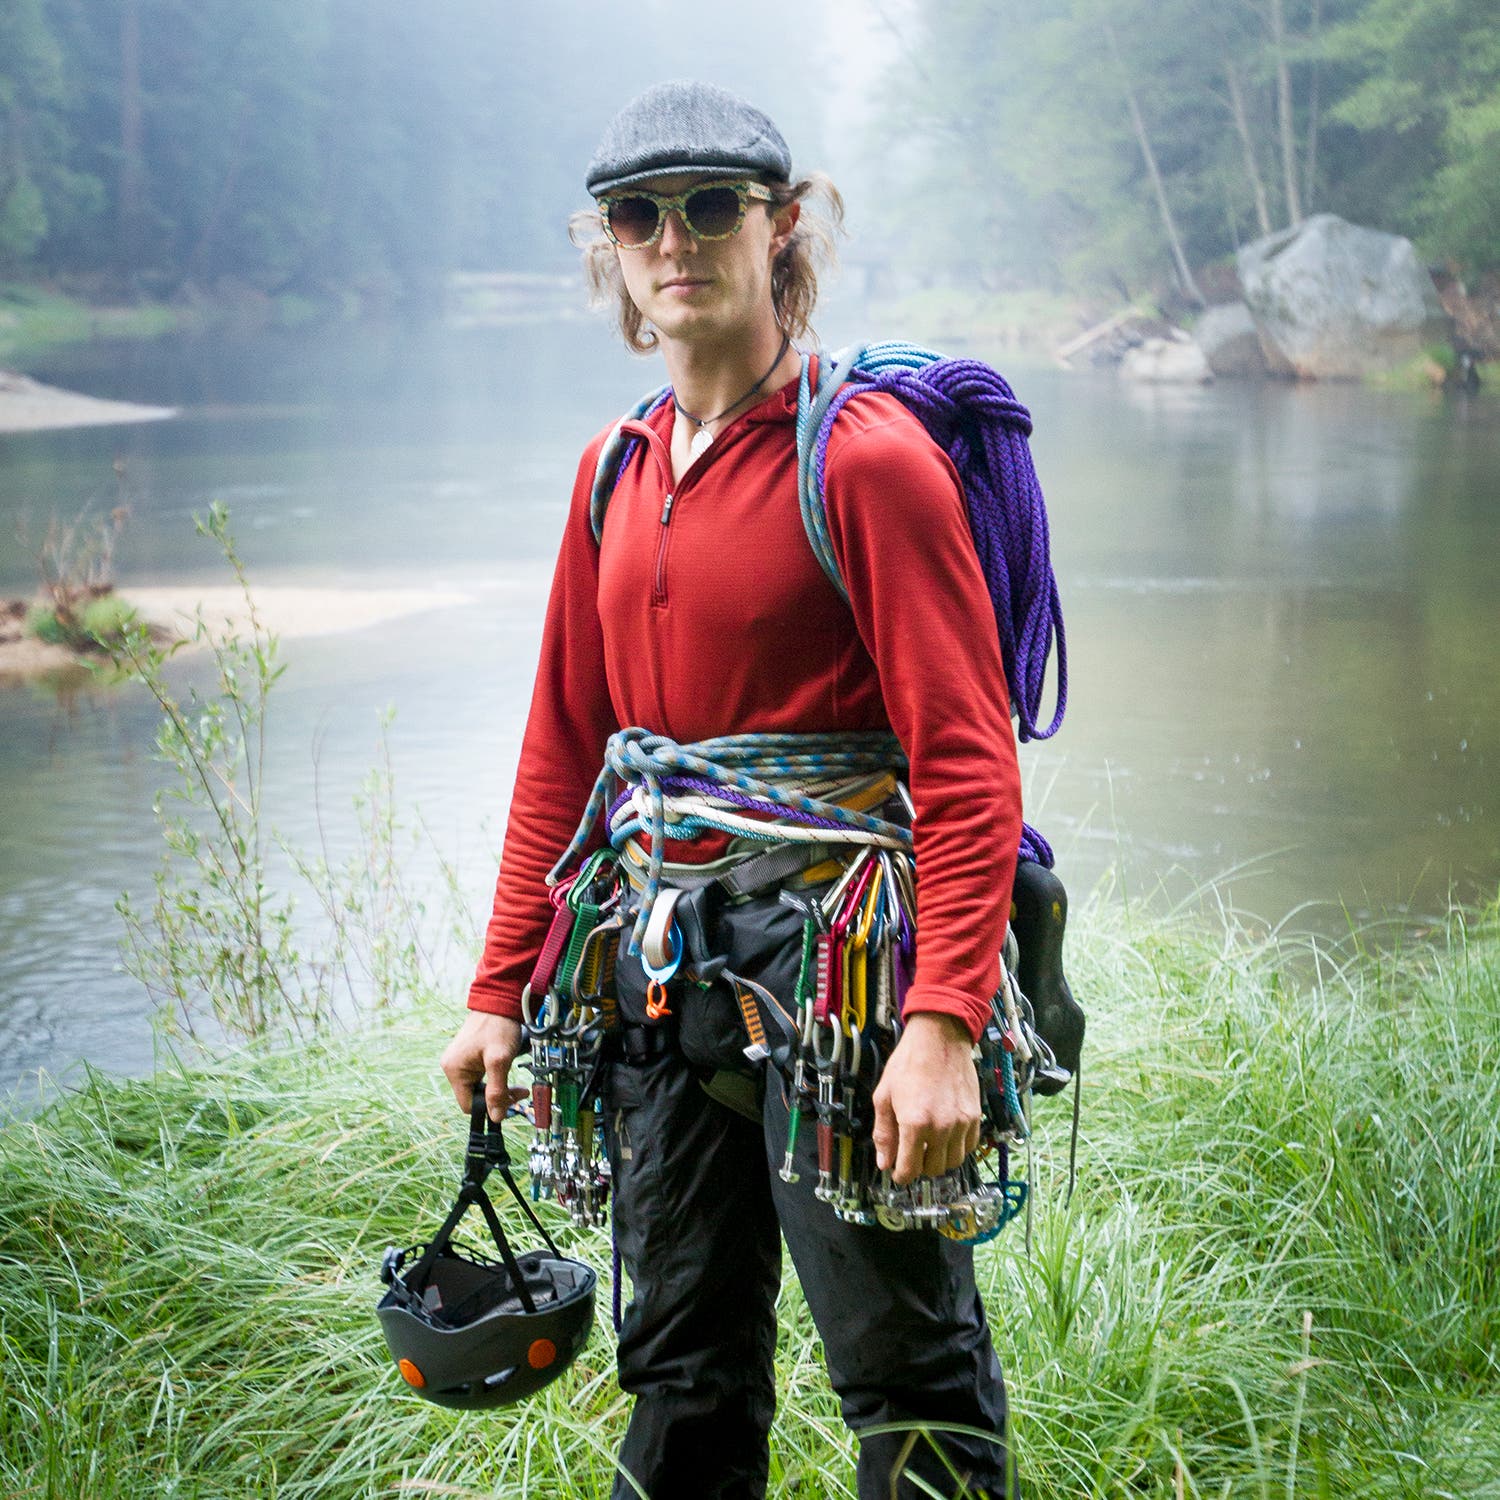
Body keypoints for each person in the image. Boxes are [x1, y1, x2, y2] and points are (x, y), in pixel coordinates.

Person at [441, 80, 1023, 1500]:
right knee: (681, 1366)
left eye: (713, 206)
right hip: (657, 973)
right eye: (639, 213)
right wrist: (499, 987)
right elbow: (564, 759)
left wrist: (943, 1023)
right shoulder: (611, 475)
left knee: (909, 1376)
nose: (674, 238)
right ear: (607, 247)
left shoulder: (867, 464)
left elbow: (966, 763)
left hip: (842, 978)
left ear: (784, 228)